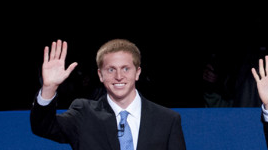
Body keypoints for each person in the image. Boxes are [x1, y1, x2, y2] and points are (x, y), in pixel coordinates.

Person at [31, 39, 187, 150]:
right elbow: (42, 127)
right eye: (111, 69)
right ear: (100, 75)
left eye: (126, 68)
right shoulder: (84, 113)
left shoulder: (167, 120)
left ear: (137, 72)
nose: (119, 76)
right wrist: (49, 88)